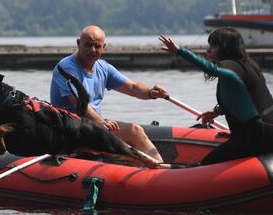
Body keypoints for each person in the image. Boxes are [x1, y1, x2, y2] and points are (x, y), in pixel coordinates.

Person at [50, 25, 168, 162]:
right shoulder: (66, 68)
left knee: (135, 133)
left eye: (97, 46)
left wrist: (150, 92)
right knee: (134, 131)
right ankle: (156, 170)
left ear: (103, 47)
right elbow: (80, 103)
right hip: (69, 129)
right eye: (88, 45)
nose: (92, 50)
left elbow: (132, 87)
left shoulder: (103, 67)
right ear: (78, 43)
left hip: (93, 126)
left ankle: (158, 170)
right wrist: (102, 123)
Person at [158, 28, 273, 165]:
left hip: (254, 137)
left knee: (208, 164)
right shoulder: (247, 67)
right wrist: (216, 112)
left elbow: (209, 69)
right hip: (264, 134)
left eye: (214, 46)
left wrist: (180, 52)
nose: (208, 50)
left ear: (226, 49)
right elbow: (243, 99)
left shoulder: (231, 67)